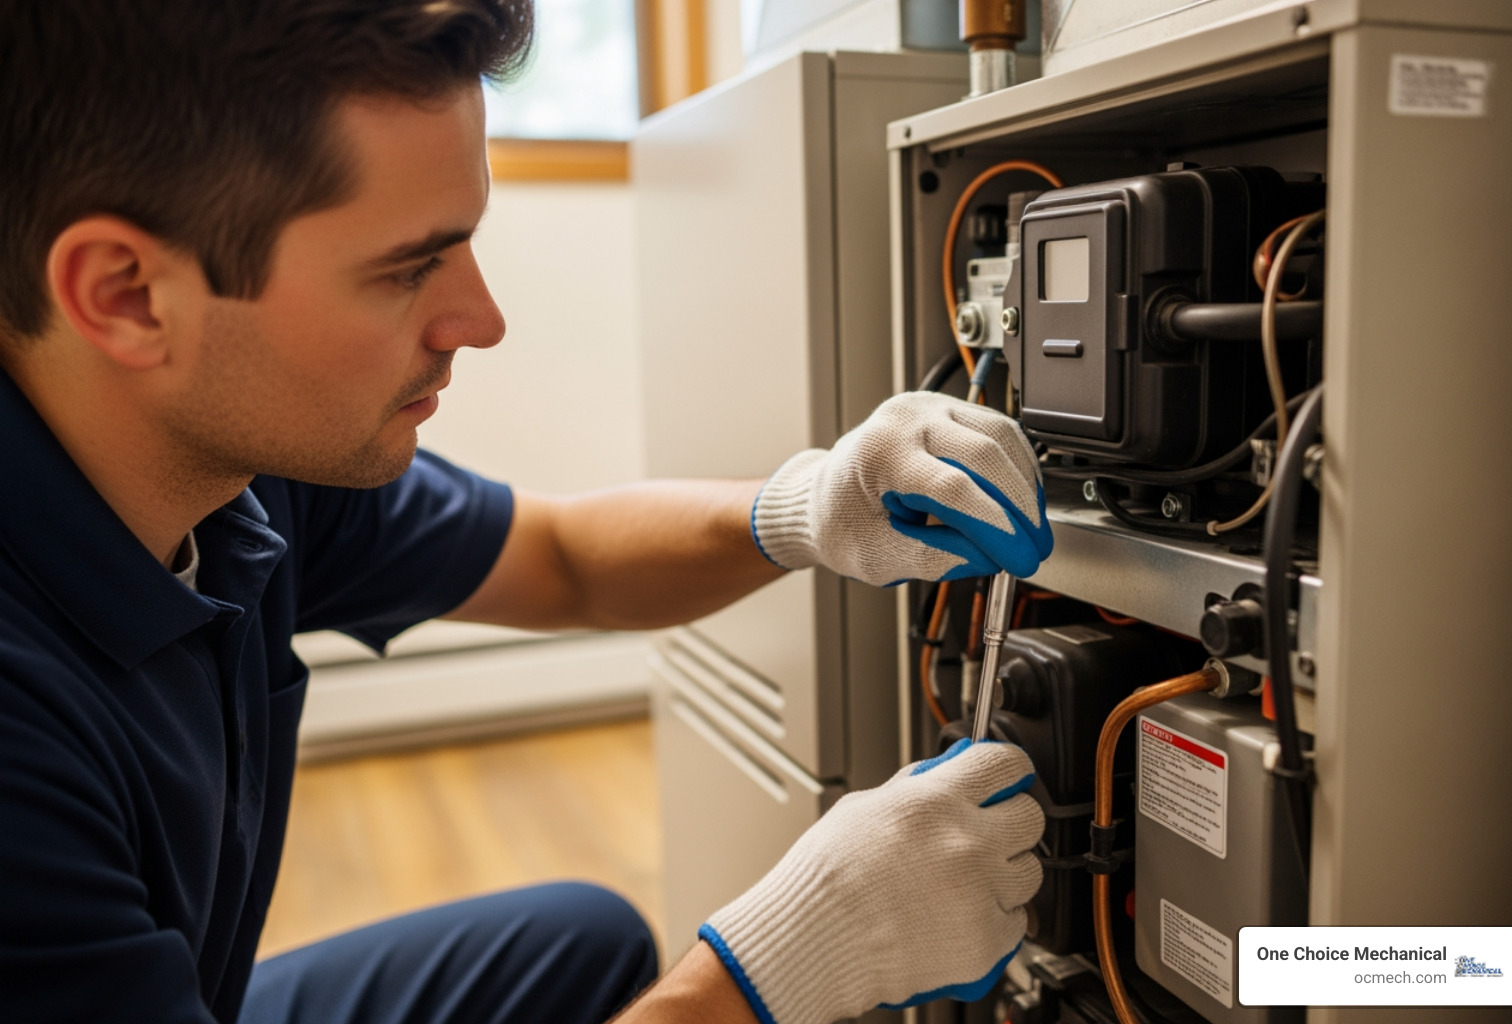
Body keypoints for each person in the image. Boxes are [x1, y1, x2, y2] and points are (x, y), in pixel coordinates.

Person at [0, 2, 1055, 1023]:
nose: (483, 319)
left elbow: (561, 557)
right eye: (409, 267)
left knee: (577, 944)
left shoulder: (236, 476)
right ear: (127, 293)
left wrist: (810, 505)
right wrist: (788, 960)